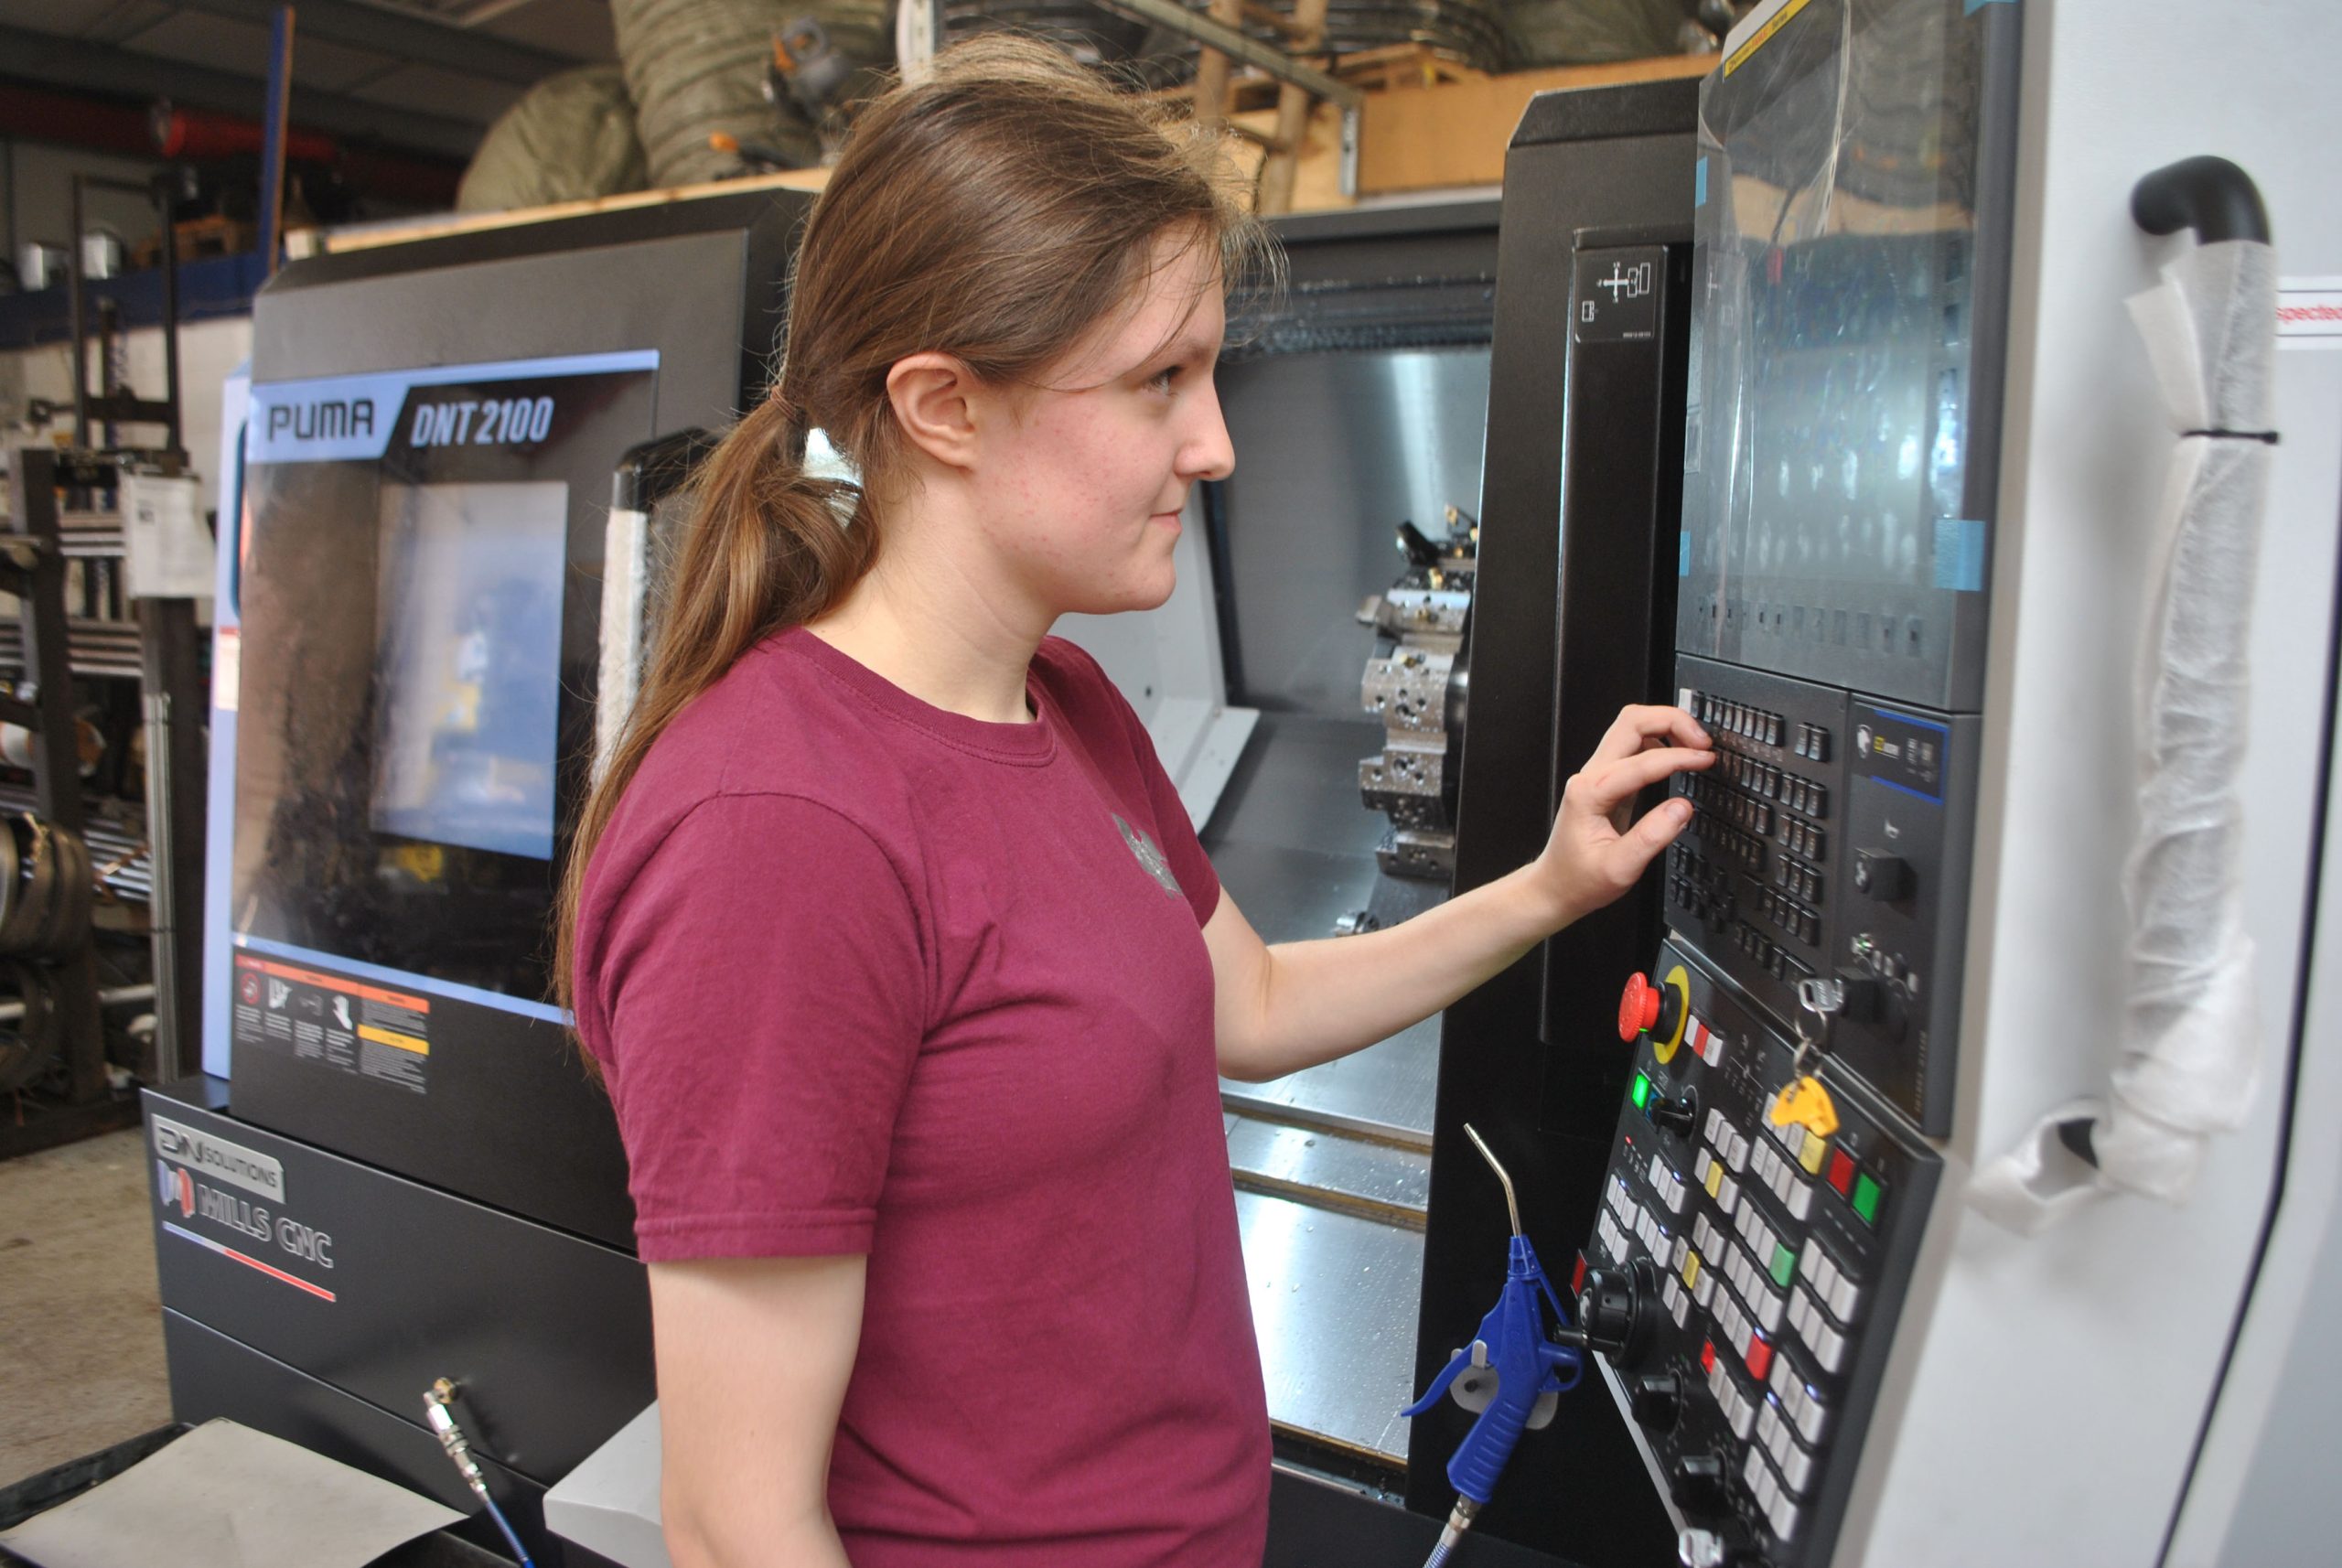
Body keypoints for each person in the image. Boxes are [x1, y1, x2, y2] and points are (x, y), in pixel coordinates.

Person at [555, 37, 1714, 1568]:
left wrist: (1555, 886)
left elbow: (1251, 995)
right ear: (945, 404)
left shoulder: (1067, 701)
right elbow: (733, 1523)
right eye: (1159, 378)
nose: (1216, 441)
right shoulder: (781, 833)